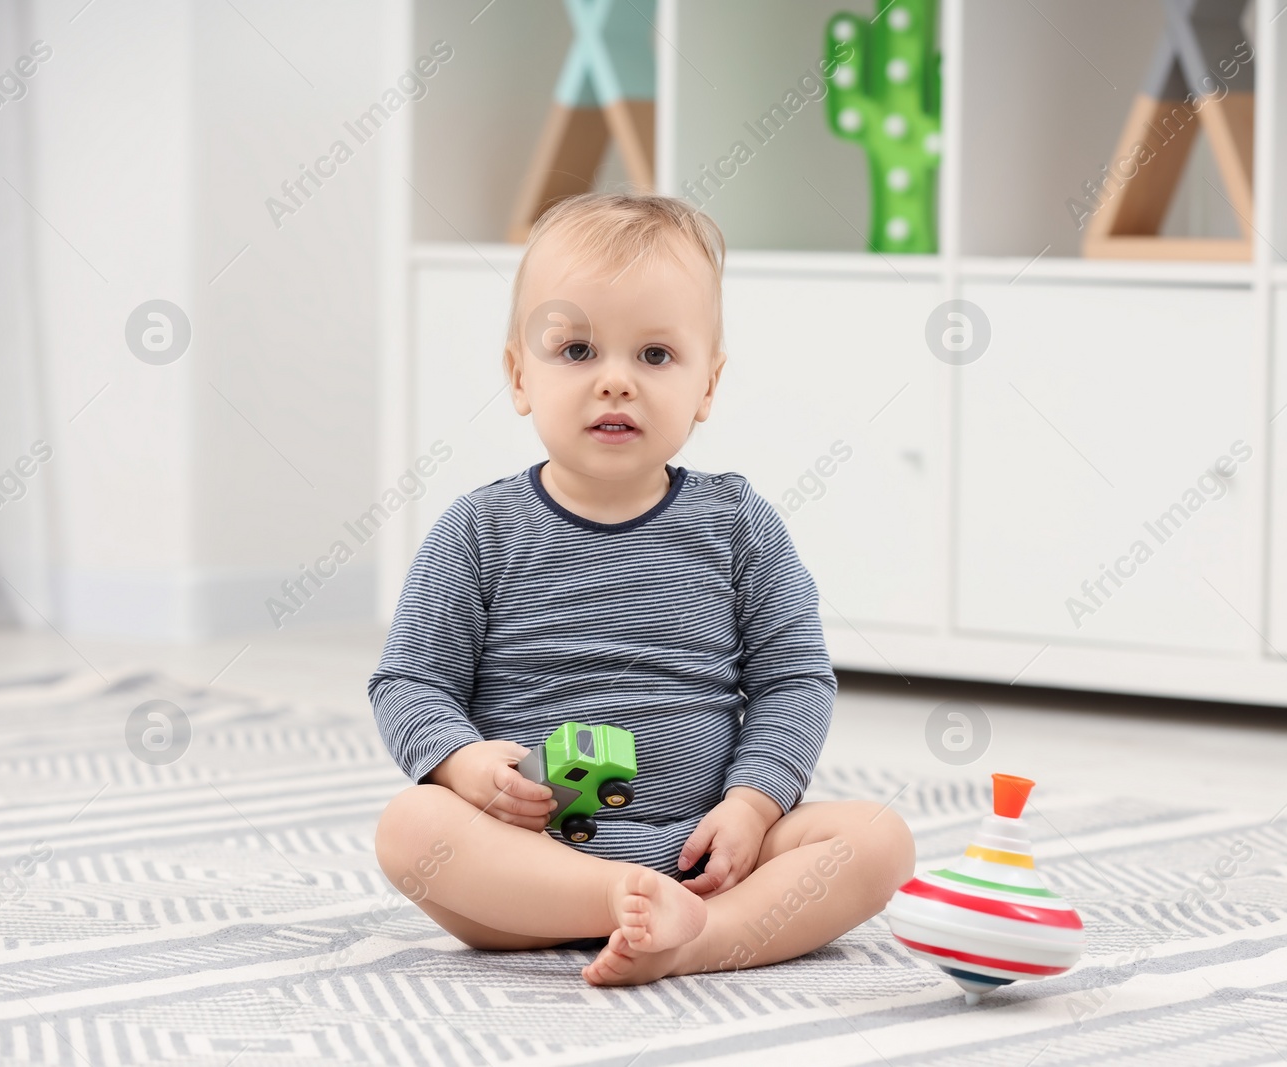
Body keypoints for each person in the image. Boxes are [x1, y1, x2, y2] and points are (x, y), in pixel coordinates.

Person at [370, 192, 915, 986]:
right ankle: (617, 900)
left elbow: (793, 680)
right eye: (577, 351)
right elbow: (410, 681)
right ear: (520, 374)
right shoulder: (477, 530)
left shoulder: (737, 524)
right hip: (527, 859)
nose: (616, 381)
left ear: (707, 384)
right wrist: (460, 764)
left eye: (655, 356)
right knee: (410, 826)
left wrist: (752, 807)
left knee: (878, 837)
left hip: (707, 846)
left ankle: (697, 933)